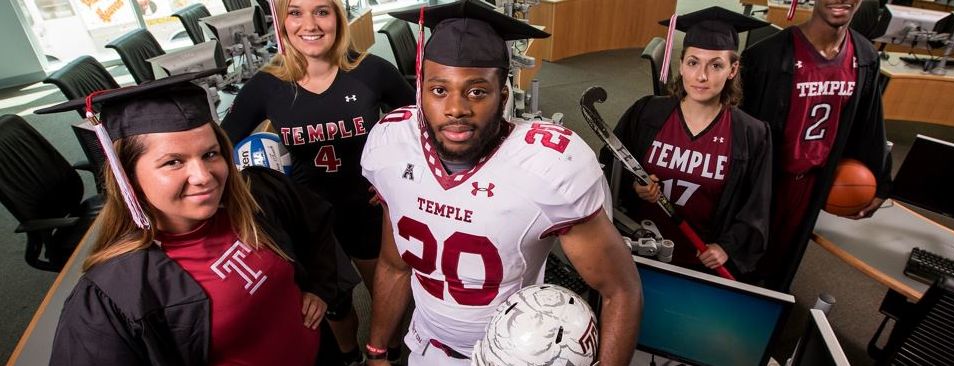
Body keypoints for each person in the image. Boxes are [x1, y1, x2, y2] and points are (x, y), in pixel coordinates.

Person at [361, 1, 642, 365]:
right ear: (419, 94)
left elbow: (621, 290)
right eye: (439, 90)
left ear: (503, 96)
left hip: (519, 356)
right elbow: (394, 264)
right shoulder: (391, 147)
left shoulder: (545, 167)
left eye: (477, 91)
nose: (456, 108)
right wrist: (378, 349)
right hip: (427, 347)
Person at [38, 73, 338, 365]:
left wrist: (319, 287)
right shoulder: (117, 294)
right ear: (128, 176)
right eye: (173, 162)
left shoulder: (256, 195)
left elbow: (315, 223)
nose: (203, 177)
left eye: (210, 154)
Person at [221, 0, 415, 362]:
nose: (309, 23)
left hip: (367, 208)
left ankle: (387, 351)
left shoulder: (371, 71)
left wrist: (397, 178)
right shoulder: (267, 85)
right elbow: (220, 145)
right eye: (295, 12)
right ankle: (349, 357)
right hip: (310, 217)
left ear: (338, 18)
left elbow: (420, 127)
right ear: (283, 22)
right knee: (334, 304)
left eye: (321, 11)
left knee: (387, 294)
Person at [740, 0, 891, 291]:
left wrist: (880, 181)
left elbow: (869, 125)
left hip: (812, 183)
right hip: (765, 181)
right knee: (742, 256)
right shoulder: (766, 57)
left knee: (781, 265)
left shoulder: (865, 56)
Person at [614, 7, 773, 278]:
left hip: (698, 263)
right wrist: (634, 186)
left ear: (733, 69)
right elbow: (609, 168)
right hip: (637, 250)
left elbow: (756, 206)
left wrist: (726, 247)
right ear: (681, 64)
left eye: (716, 65)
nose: (701, 76)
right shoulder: (646, 114)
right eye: (693, 62)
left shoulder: (751, 135)